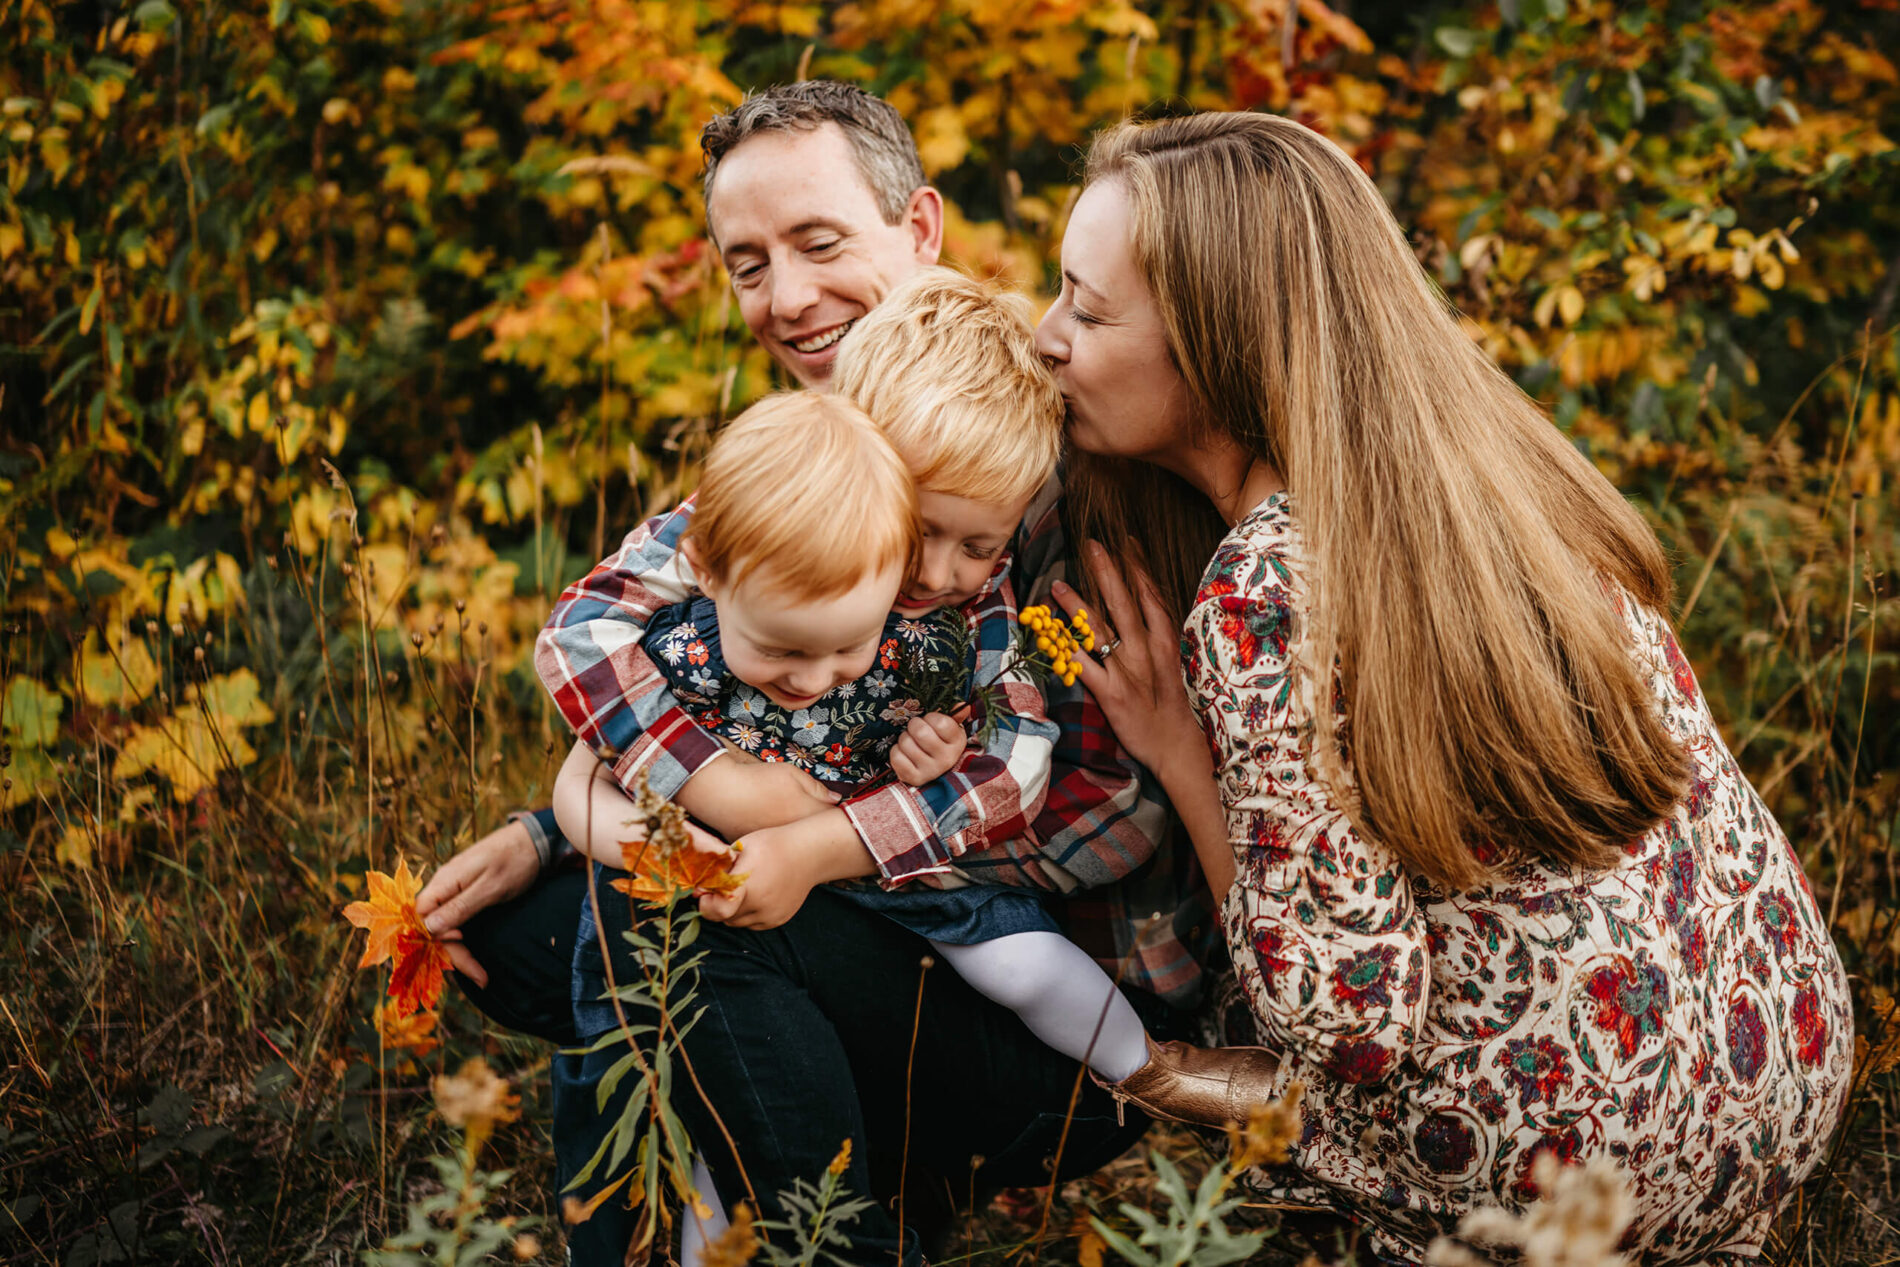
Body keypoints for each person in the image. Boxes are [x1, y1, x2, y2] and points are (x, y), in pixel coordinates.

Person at [1032, 110, 1854, 1263]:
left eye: (1088, 305)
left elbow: (1344, 1022)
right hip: (1779, 1061)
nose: (1044, 334)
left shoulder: (1263, 587)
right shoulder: (1498, 477)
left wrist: (1178, 753)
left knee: (1217, 1068)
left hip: (1566, 1167)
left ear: (1221, 342)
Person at [417, 83, 1217, 1264]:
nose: (787, 298)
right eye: (748, 264)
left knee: (667, 916)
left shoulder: (1029, 475)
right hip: (882, 922)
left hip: (1038, 993)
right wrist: (560, 821)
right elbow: (643, 643)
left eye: (818, 242)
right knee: (540, 922)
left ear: (921, 232)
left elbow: (1086, 818)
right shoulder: (819, 469)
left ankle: (831, 1235)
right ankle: (691, 1218)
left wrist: (797, 827)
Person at [549, 272, 1279, 1258]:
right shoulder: (783, 520)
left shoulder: (987, 614)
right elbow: (585, 632)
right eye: (917, 534)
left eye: (975, 544)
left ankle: (1135, 1076)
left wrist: (837, 828)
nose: (937, 573)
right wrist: (696, 783)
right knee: (602, 928)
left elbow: (1019, 777)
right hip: (783, 862)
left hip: (938, 915)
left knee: (997, 956)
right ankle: (678, 1226)